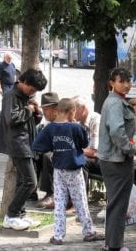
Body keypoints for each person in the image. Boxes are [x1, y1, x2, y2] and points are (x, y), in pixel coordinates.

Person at [32, 98, 105, 245]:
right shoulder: (76, 127)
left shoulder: (50, 128)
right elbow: (84, 143)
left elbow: (37, 145)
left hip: (58, 169)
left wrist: (53, 148)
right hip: (74, 170)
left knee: (59, 202)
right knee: (81, 200)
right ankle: (89, 231)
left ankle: (58, 236)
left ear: (58, 111)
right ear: (72, 111)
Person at [0, 69, 47, 231]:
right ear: (23, 82)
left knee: (23, 181)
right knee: (31, 182)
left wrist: (37, 112)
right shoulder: (11, 95)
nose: (33, 93)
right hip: (18, 144)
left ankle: (20, 215)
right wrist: (29, 110)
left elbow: (31, 122)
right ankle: (11, 215)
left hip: (27, 143)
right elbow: (12, 119)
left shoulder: (25, 96)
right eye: (32, 89)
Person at [97, 67, 136, 251]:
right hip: (117, 160)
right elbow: (117, 131)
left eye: (128, 81)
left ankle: (110, 243)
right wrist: (130, 150)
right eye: (122, 81)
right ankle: (115, 246)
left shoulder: (115, 101)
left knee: (115, 203)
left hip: (112, 159)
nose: (126, 85)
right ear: (112, 83)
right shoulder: (115, 103)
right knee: (119, 204)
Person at [35, 92, 60, 209]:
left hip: (65, 152)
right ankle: (31, 190)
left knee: (48, 156)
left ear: (55, 109)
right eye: (43, 109)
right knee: (35, 154)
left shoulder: (64, 120)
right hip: (53, 150)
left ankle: (51, 193)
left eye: (46, 109)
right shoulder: (48, 123)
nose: (44, 113)